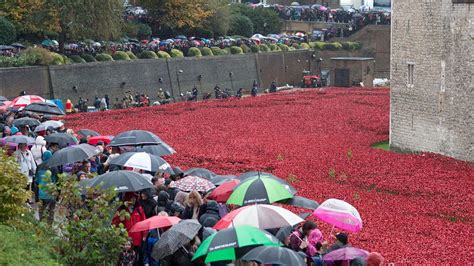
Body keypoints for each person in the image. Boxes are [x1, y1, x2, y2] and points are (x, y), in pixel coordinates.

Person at [112, 193, 147, 260]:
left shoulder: (139, 209)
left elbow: (144, 222)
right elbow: (114, 223)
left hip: (137, 239)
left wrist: (144, 235)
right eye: (132, 198)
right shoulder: (121, 210)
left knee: (135, 258)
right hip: (125, 240)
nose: (134, 199)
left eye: (135, 198)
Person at [36, 150, 57, 224]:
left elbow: (37, 181)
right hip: (51, 193)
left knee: (41, 210)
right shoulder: (54, 167)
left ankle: (41, 224)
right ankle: (49, 225)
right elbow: (56, 180)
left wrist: (36, 196)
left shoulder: (39, 167)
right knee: (51, 210)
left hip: (41, 193)